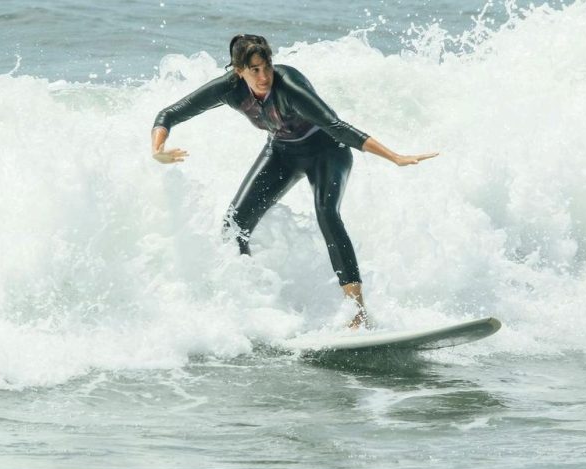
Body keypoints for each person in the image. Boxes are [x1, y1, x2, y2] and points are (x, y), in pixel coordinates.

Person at [151, 34, 438, 329]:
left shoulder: (289, 86)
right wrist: (157, 149)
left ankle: (358, 313)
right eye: (255, 70)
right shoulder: (229, 89)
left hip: (327, 150)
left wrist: (395, 157)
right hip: (282, 152)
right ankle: (249, 307)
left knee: (327, 213)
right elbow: (169, 114)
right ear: (239, 71)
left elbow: (337, 127)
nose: (264, 77)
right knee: (234, 225)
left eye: (267, 67)